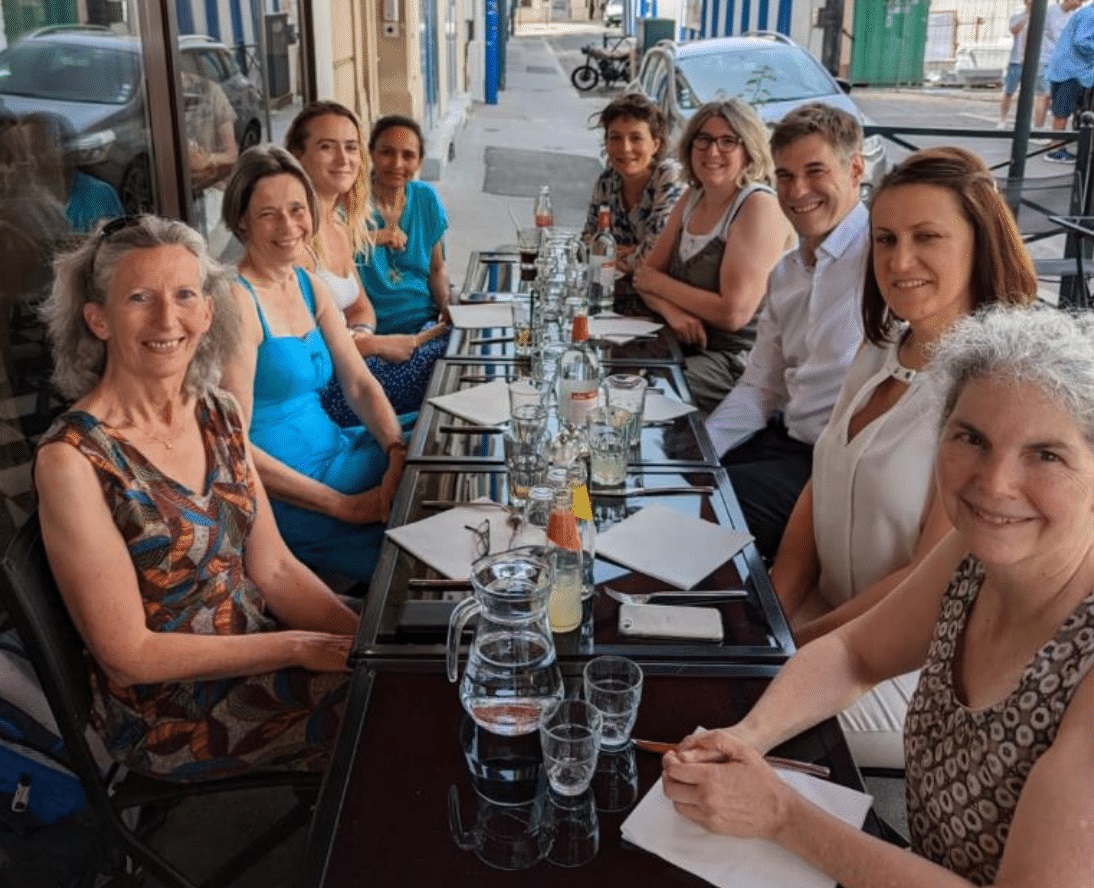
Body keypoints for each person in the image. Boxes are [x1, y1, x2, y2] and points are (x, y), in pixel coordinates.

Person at [662, 306, 1093, 888]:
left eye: (1046, 454)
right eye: (972, 438)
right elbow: (855, 655)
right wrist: (747, 736)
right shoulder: (974, 552)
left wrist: (782, 814)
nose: (995, 484)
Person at [34, 215, 357, 780]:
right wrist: (297, 647)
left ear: (208, 312)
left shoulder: (217, 411)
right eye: (139, 298)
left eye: (185, 295)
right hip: (173, 713)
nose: (167, 319)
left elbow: (275, 570)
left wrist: (361, 643)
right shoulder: (74, 459)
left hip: (258, 643)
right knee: (389, 717)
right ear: (98, 319)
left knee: (422, 662)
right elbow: (128, 656)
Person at [770, 147, 1037, 768]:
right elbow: (822, 481)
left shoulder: (995, 389)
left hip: (916, 667)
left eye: (927, 237)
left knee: (731, 717)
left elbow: (926, 580)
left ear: (980, 243)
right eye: (886, 239)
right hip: (825, 626)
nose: (899, 261)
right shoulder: (882, 344)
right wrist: (771, 612)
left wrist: (790, 648)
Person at [220, 145, 407, 584]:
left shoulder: (306, 284)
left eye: (296, 209)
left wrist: (395, 450)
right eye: (268, 214)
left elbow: (359, 385)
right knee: (431, 483)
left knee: (427, 447)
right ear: (242, 221)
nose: (289, 227)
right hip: (300, 494)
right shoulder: (236, 300)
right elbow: (232, 444)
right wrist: (343, 506)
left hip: (340, 451)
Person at [704, 103, 870, 561]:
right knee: (664, 478)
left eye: (815, 171)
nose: (797, 191)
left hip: (838, 467)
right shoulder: (786, 273)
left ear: (855, 170)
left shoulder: (884, 258)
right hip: (785, 442)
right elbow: (761, 386)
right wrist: (700, 451)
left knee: (707, 510)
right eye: (785, 176)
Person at [633, 99, 792, 413]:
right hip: (686, 345)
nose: (712, 151)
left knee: (646, 392)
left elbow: (733, 314)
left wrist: (659, 285)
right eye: (703, 139)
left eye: (727, 141)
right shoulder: (693, 197)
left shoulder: (759, 207)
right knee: (611, 365)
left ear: (749, 150)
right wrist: (671, 311)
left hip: (740, 362)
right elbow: (642, 277)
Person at [285, 101, 444, 417]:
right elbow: (302, 348)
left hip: (357, 363)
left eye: (350, 147)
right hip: (330, 387)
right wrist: (377, 346)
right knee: (455, 360)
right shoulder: (290, 236)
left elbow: (360, 308)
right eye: (327, 147)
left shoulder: (338, 227)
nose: (343, 159)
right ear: (297, 155)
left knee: (472, 345)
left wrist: (364, 336)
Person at [352, 114, 451, 418]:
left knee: (478, 351)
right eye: (387, 152)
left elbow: (437, 270)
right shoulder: (352, 204)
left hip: (425, 327)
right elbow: (332, 246)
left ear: (419, 160)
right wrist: (377, 237)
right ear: (371, 153)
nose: (397, 164)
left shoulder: (425, 199)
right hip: (377, 339)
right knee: (439, 384)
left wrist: (447, 306)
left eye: (408, 155)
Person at [581, 93, 684, 284]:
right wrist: (634, 252)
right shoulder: (607, 181)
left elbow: (652, 258)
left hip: (662, 292)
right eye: (615, 138)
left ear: (655, 144)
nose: (625, 148)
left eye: (636, 138)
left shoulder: (669, 178)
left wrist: (610, 256)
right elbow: (585, 243)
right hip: (620, 288)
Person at [1044, 0, 1094, 163]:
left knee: (1064, 111)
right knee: (1062, 112)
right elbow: (1082, 41)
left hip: (1070, 69)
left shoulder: (1086, 13)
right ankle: (1055, 150)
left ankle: (1057, 146)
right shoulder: (1090, 15)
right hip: (1071, 71)